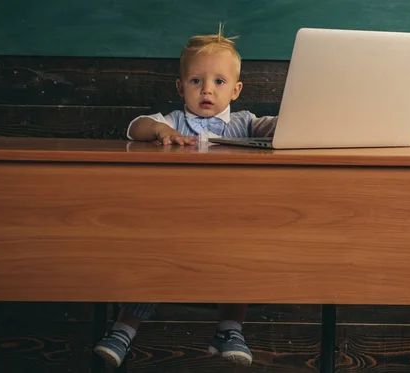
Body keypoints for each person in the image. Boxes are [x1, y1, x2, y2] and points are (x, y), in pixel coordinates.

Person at [93, 24, 278, 368]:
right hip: (174, 218)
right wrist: (161, 130)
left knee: (243, 259)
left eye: (219, 82)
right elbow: (136, 127)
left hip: (229, 220)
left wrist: (293, 122)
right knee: (155, 259)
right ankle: (124, 329)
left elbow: (280, 127)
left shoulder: (246, 122)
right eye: (196, 81)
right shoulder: (173, 120)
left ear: (236, 90)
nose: (207, 90)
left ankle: (230, 328)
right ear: (181, 86)